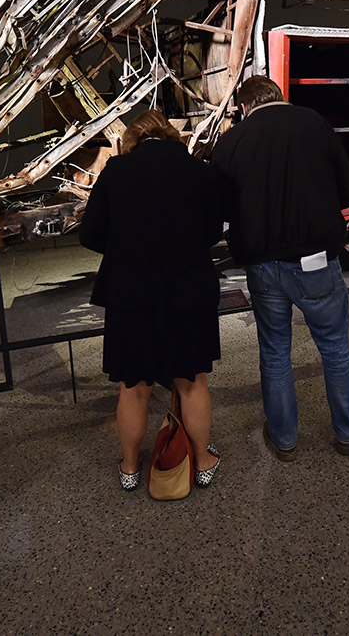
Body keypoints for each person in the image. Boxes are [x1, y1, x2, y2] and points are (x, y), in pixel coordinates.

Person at [211, 76, 349, 461]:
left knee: (275, 352)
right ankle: (348, 432)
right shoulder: (313, 123)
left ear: (243, 107)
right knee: (334, 348)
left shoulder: (231, 141)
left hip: (263, 266)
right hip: (316, 261)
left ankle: (284, 439)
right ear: (280, 97)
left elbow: (220, 208)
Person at [79, 108, 223, 490]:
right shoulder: (199, 172)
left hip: (131, 293)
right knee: (192, 381)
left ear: (133, 139)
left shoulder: (116, 172)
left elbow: (90, 234)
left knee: (133, 385)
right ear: (170, 136)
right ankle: (204, 459)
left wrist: (126, 250)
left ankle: (129, 467)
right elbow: (212, 232)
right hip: (188, 291)